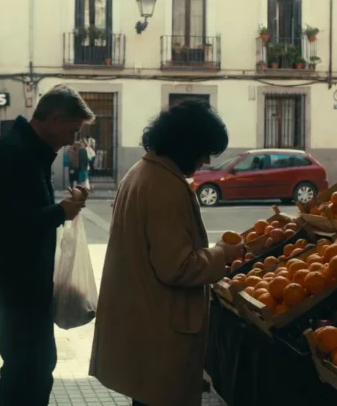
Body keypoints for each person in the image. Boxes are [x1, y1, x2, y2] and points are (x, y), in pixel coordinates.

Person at [89, 100, 247, 406]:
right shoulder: (164, 186)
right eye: (204, 152)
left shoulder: (142, 171)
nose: (204, 161)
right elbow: (177, 267)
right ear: (188, 145)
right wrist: (222, 254)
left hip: (144, 325)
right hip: (160, 331)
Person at [0, 85, 96, 406]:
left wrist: (61, 209)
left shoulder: (28, 151)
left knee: (34, 367)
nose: (72, 140)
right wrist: (60, 212)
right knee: (26, 370)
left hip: (23, 285)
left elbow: (21, 211)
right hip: (15, 285)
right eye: (71, 130)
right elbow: (10, 225)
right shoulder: (16, 153)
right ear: (54, 117)